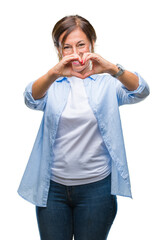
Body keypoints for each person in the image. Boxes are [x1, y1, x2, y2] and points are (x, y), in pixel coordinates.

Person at [17, 15, 150, 240]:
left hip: (96, 189)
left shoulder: (107, 83)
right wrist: (53, 73)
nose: (75, 52)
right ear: (58, 50)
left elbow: (141, 91)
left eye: (81, 45)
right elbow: (31, 98)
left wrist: (111, 69)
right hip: (53, 190)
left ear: (92, 44)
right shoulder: (53, 84)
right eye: (66, 47)